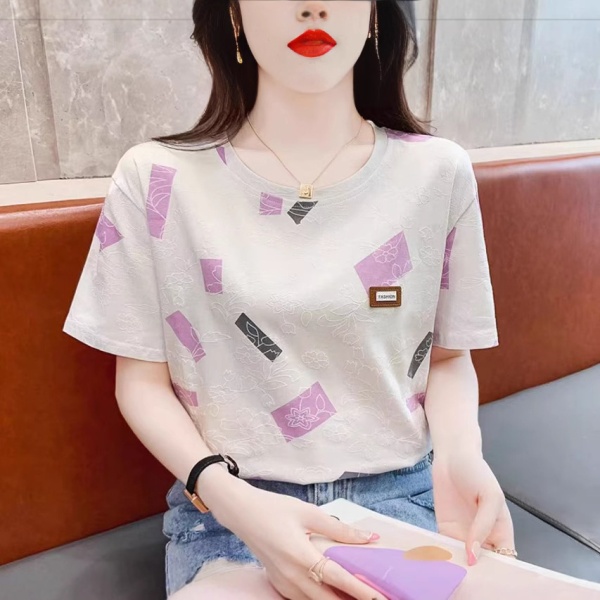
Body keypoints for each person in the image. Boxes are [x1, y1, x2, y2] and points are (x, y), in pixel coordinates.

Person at [62, 1, 515, 599]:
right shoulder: (156, 179)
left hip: (399, 503)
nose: (312, 6)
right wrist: (233, 501)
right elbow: (140, 384)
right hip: (228, 510)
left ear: (374, 11)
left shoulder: (437, 172)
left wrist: (461, 458)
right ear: (233, 13)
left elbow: (449, 358)